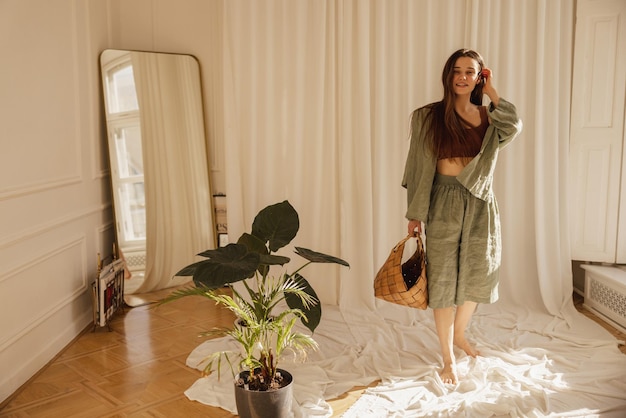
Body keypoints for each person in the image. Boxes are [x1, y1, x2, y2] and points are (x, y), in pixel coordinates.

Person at [402, 49, 523, 385]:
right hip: (442, 200)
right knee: (441, 281)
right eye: (457, 71)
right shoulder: (428, 117)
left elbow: (514, 124)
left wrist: (492, 91)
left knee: (477, 274)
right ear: (447, 75)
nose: (462, 77)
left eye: (471, 72)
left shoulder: (490, 117)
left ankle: (459, 333)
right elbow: (417, 165)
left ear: (479, 77)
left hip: (480, 202)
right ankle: (447, 357)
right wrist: (416, 213)